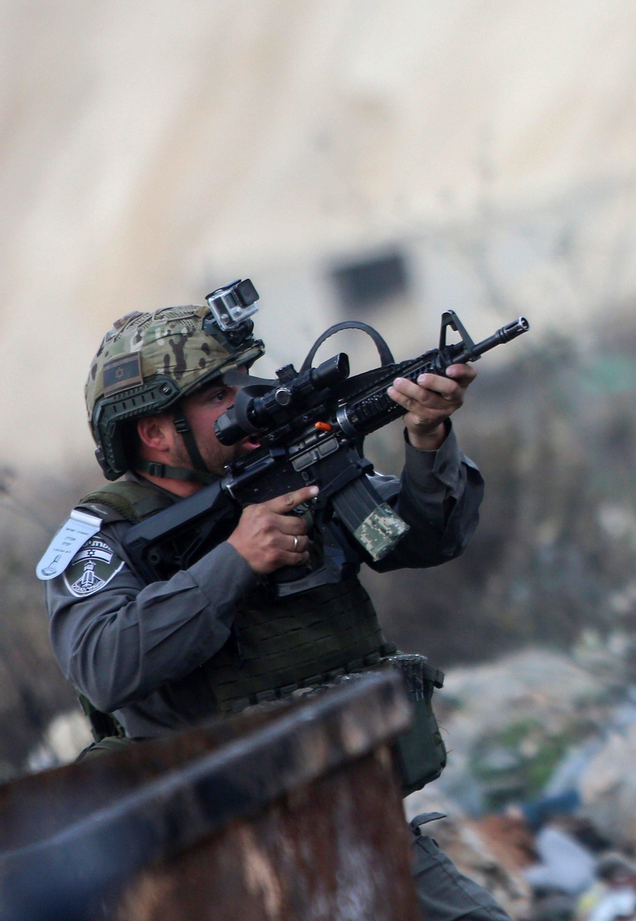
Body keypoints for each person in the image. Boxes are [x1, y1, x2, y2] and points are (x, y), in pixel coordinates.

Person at [43, 300, 510, 921]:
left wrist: (428, 437)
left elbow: (425, 539)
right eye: (214, 394)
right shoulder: (105, 538)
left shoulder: (284, 467)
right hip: (223, 866)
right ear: (154, 432)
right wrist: (236, 560)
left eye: (240, 380)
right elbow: (103, 665)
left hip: (355, 823)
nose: (243, 399)